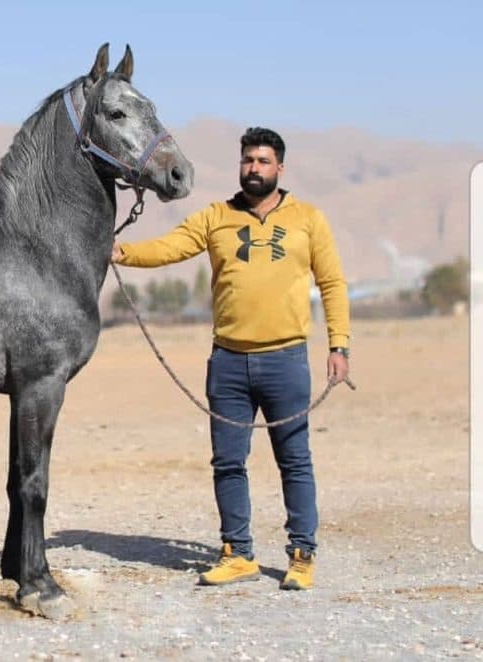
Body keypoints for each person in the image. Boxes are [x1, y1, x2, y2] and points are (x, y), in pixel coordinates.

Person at [111, 127, 350, 590]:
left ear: (280, 167)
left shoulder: (309, 220)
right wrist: (123, 252)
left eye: (262, 161)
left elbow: (333, 284)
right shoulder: (216, 217)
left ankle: (302, 554)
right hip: (228, 364)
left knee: (295, 460)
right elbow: (172, 246)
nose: (253, 168)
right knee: (228, 462)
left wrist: (339, 345)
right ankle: (238, 553)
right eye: (247, 161)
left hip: (286, 360)